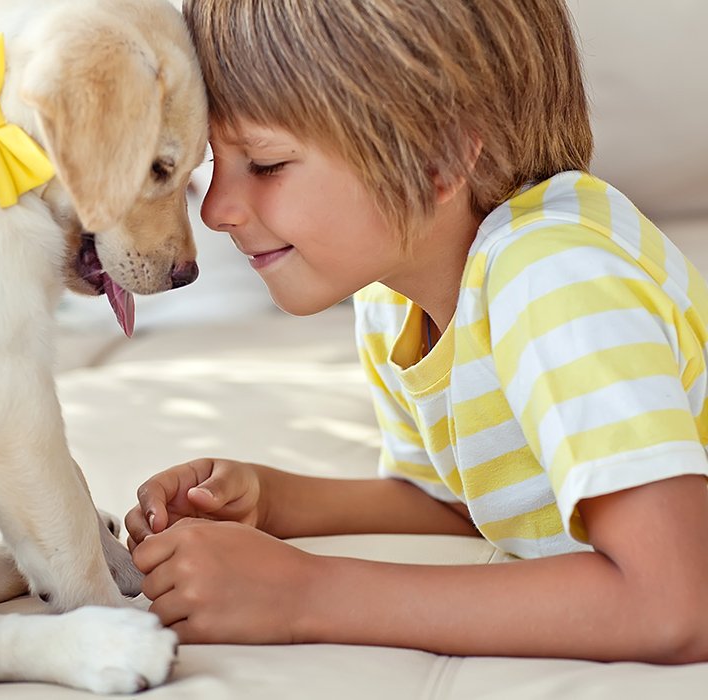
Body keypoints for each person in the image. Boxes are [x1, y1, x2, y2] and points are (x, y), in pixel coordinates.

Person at [124, 0, 708, 662]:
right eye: (212, 165)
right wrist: (271, 502)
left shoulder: (552, 278)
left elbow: (676, 602)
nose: (217, 210)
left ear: (439, 160)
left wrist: (304, 594)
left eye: (264, 163)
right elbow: (470, 501)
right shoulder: (398, 298)